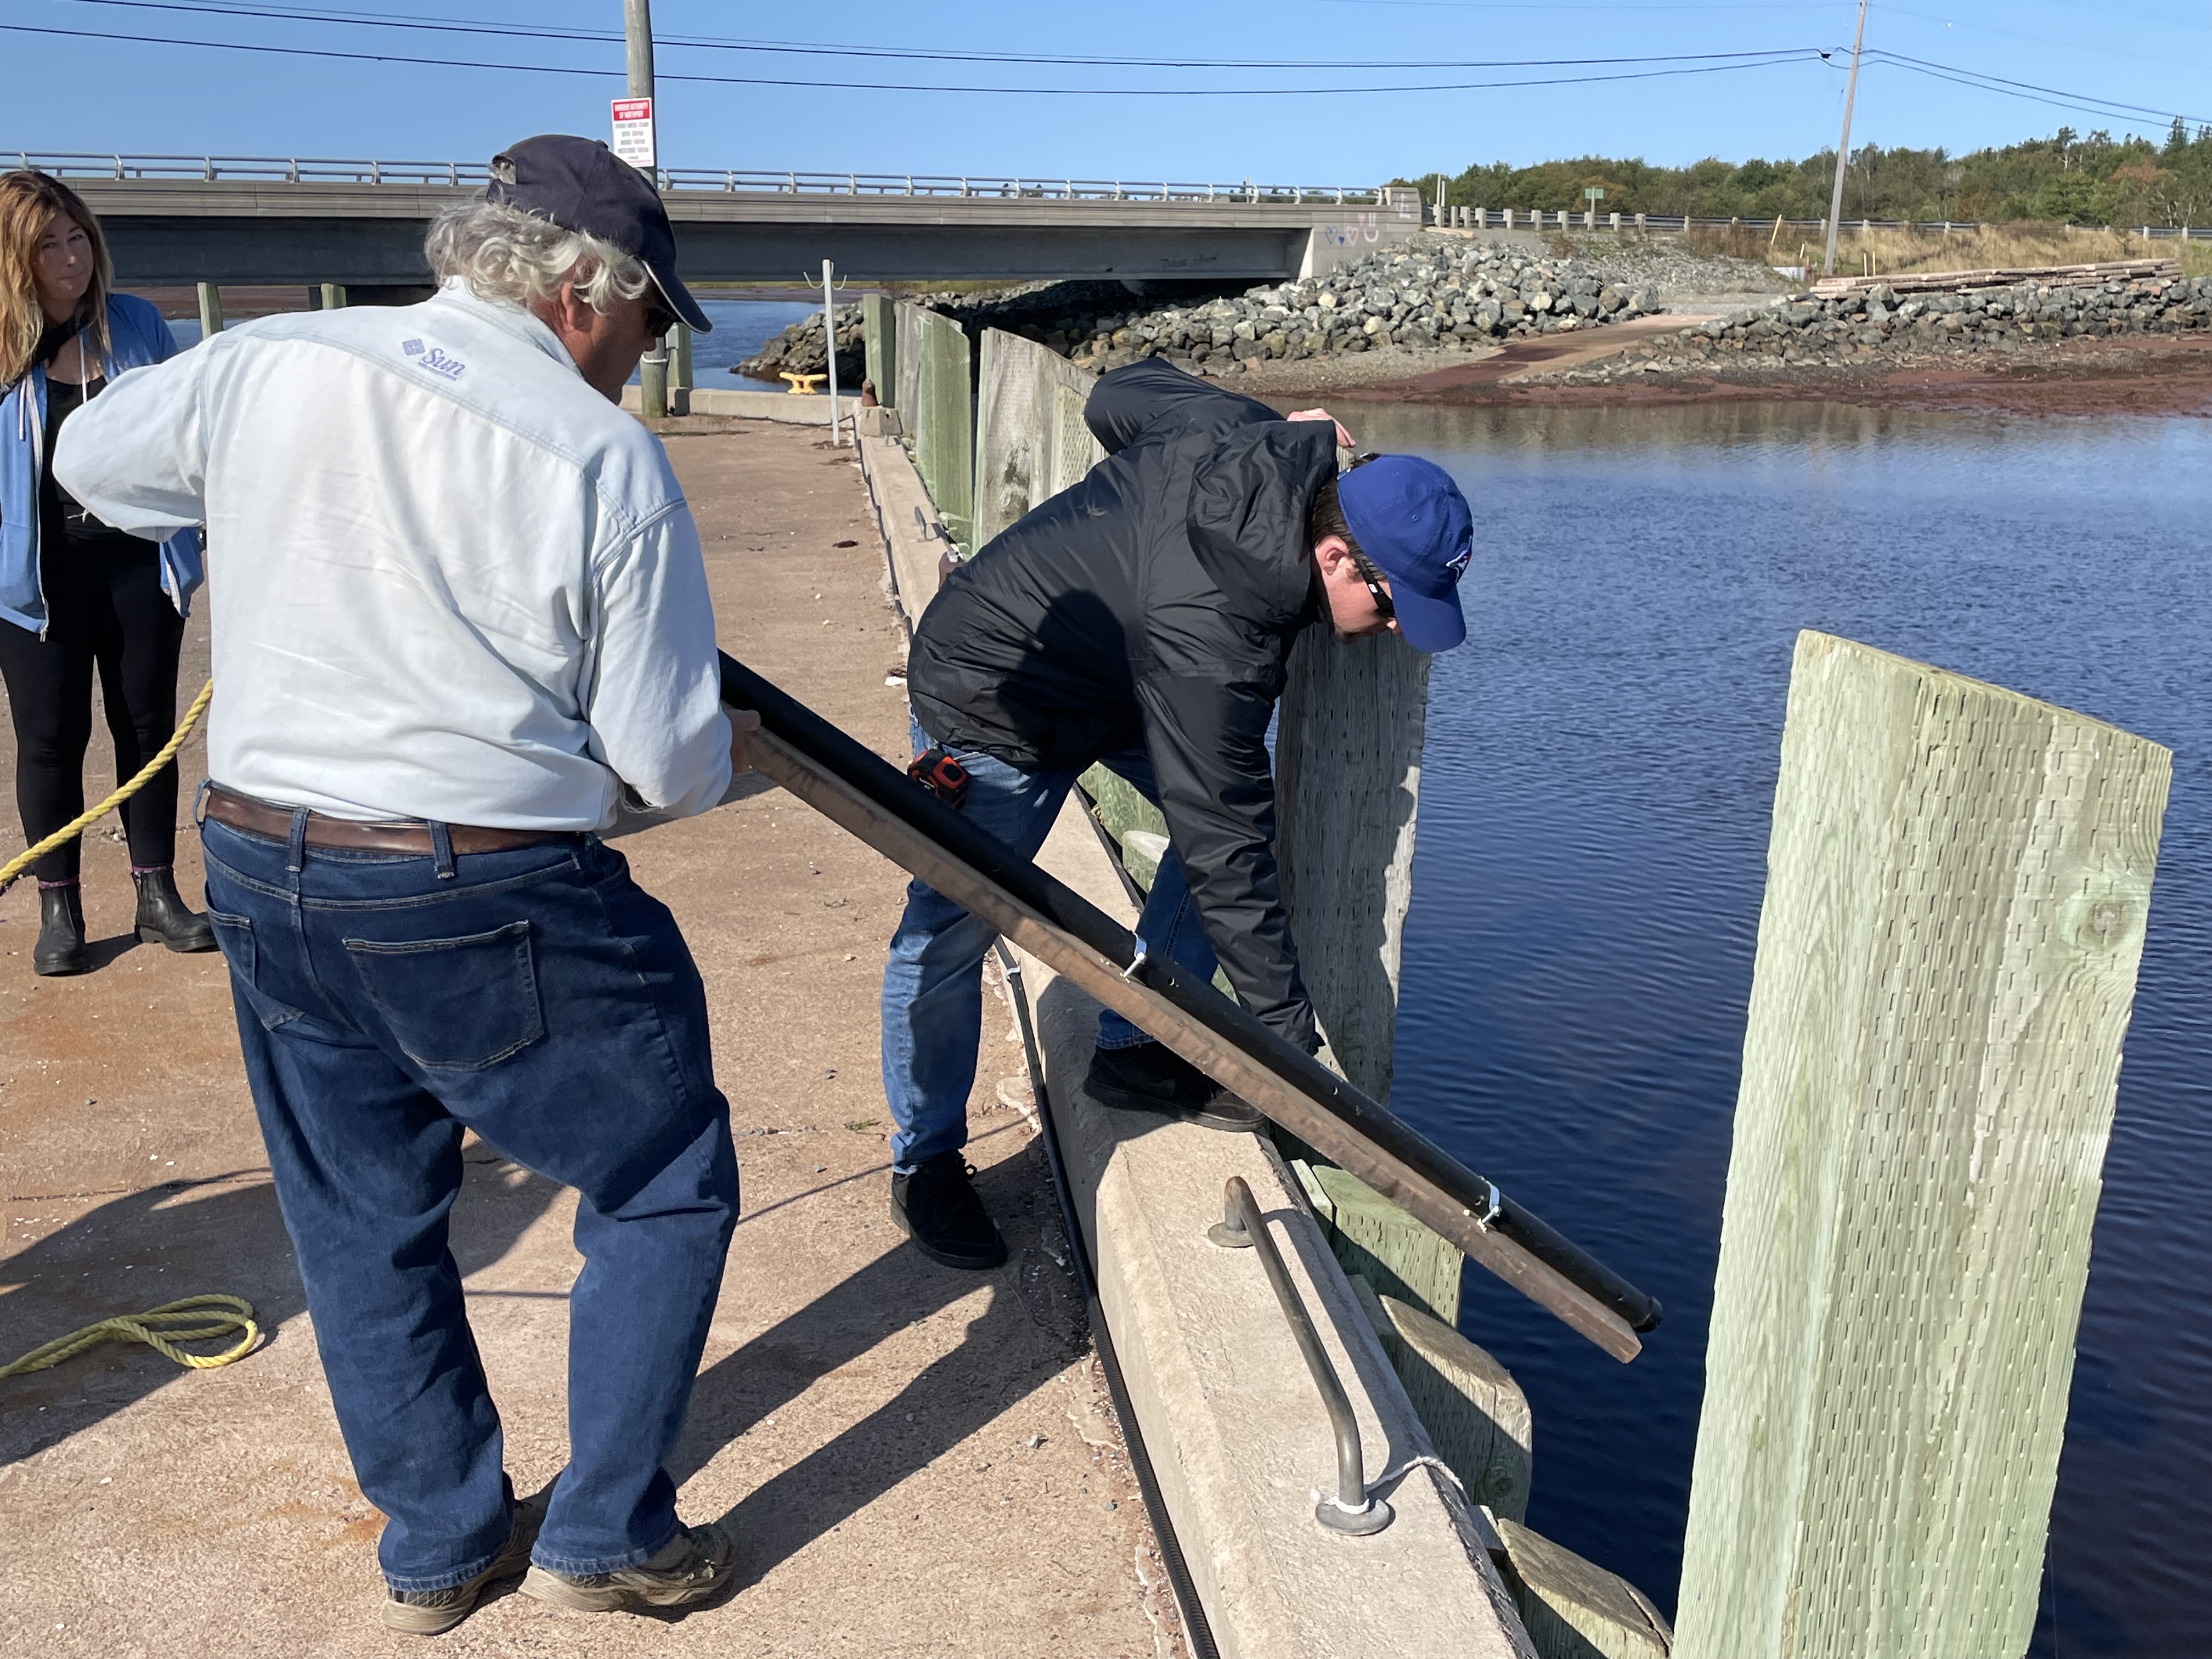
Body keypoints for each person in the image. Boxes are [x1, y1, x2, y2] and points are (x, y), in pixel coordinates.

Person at [54, 135, 754, 1634]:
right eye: (645, 325)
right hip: (475, 878)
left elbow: (87, 463)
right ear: (585, 293)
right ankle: (606, 1532)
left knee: (361, 1211)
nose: (639, 360)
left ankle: (439, 1548)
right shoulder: (598, 456)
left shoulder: (276, 359)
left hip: (254, 852)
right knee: (661, 1168)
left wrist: (269, 516)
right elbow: (679, 765)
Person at [883, 361, 1474, 1269]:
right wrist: (1292, 1059)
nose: (1399, 630)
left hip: (1116, 680)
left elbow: (1116, 396)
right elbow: (1222, 855)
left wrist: (1269, 417)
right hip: (991, 691)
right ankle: (924, 1159)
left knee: (1242, 826)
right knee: (951, 928)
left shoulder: (1243, 436)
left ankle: (1128, 1050)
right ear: (1333, 555)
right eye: (1394, 604)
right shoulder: (1220, 637)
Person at [0, 170, 212, 974]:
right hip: (35, 582)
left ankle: (157, 895)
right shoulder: (1, 343)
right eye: (48, 244)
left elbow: (187, 428)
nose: (70, 258)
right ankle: (60, 907)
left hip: (136, 564)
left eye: (78, 237)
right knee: (50, 742)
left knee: (148, 731)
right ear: (16, 259)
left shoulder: (136, 325)